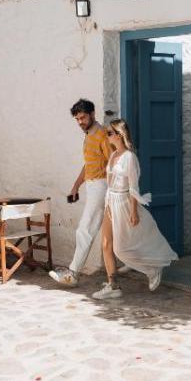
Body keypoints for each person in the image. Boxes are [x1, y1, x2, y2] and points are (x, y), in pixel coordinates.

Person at [92, 118, 179, 301]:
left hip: (124, 202)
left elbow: (133, 187)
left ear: (119, 135)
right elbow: (110, 182)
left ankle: (152, 269)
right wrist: (107, 203)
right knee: (106, 245)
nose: (107, 136)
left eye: (110, 133)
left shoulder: (129, 157)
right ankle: (113, 286)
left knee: (121, 248)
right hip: (111, 201)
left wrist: (133, 211)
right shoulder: (113, 155)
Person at [49, 99, 113, 288]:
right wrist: (76, 186)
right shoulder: (89, 136)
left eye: (83, 117)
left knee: (85, 229)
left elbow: (113, 163)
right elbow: (89, 164)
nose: (80, 122)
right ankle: (152, 266)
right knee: (124, 231)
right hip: (92, 187)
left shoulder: (102, 135)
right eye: (77, 119)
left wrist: (115, 192)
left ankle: (73, 274)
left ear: (92, 114)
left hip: (102, 186)